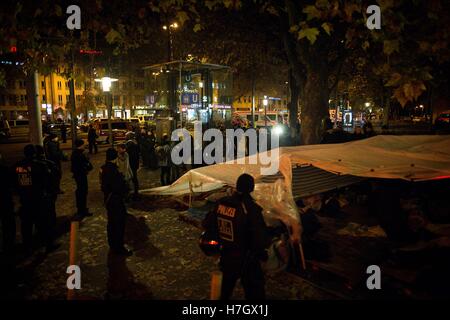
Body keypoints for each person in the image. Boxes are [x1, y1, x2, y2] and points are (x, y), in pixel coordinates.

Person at [202, 173, 271, 300]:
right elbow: (259, 237)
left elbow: (207, 223)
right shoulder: (251, 208)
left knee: (223, 290)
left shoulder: (222, 203)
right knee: (255, 293)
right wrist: (263, 253)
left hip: (226, 255)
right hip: (247, 258)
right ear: (251, 188)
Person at [14, 145, 51, 254]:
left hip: (25, 200)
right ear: (35, 153)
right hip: (38, 199)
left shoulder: (16, 166)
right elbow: (47, 182)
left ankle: (27, 247)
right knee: (42, 224)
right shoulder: (40, 165)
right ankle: (43, 246)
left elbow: (13, 183)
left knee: (26, 225)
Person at [100, 148, 132, 256]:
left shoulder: (103, 168)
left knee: (111, 223)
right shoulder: (113, 170)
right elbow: (118, 187)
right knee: (118, 224)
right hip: (116, 200)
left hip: (108, 199)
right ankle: (119, 247)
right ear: (115, 157)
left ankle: (112, 244)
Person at [35, 145, 61, 252]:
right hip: (45, 197)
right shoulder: (46, 165)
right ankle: (49, 243)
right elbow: (55, 178)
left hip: (28, 199)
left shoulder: (18, 166)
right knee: (49, 220)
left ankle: (32, 243)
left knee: (35, 221)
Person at [71, 139, 93, 219]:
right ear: (81, 145)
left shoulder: (75, 153)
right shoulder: (79, 155)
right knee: (82, 192)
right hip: (81, 176)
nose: (85, 145)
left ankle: (82, 209)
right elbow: (88, 166)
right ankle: (81, 210)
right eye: (84, 144)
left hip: (79, 175)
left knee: (82, 191)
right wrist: (87, 163)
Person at [0, 153, 16, 255]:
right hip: (4, 200)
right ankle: (9, 246)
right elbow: (13, 184)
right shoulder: (4, 169)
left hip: (5, 199)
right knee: (8, 224)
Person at [125, 132, 140, 198]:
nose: (125, 137)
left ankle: (131, 192)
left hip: (131, 163)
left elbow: (127, 153)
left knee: (129, 177)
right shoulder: (135, 142)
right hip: (135, 163)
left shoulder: (129, 143)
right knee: (134, 177)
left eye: (126, 136)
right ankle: (136, 190)